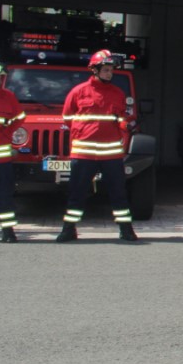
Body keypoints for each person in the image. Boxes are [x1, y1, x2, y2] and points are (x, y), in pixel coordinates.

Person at [55, 50, 139, 243]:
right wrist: (84, 131)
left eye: (111, 70)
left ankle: (126, 230)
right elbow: (67, 118)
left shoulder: (118, 94)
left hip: (110, 154)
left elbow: (121, 118)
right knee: (77, 192)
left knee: (118, 193)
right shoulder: (78, 92)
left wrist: (125, 124)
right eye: (106, 70)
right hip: (83, 153)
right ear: (95, 70)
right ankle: (69, 230)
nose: (110, 74)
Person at [0, 62, 27, 243]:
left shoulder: (8, 97)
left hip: (2, 161)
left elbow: (20, 117)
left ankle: (8, 230)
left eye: (0, 77)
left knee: (5, 195)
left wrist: (7, 132)